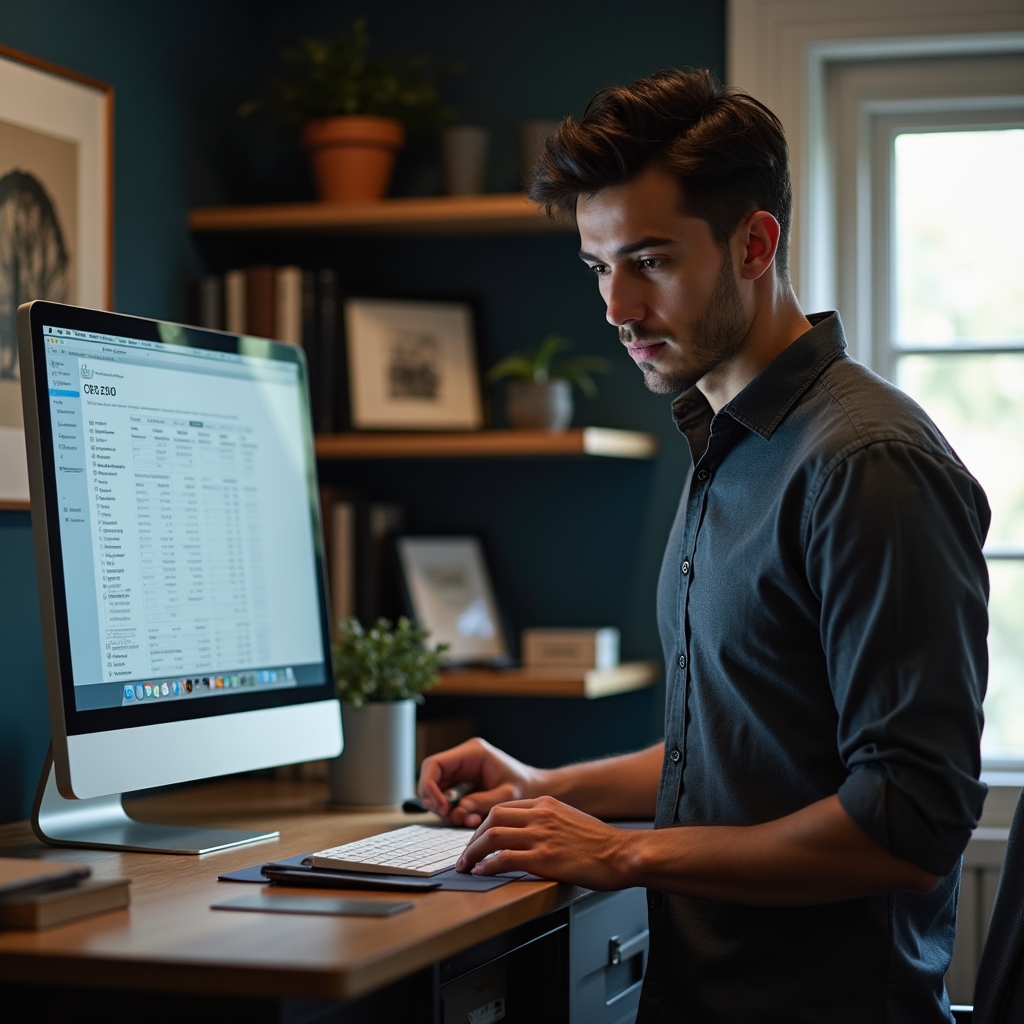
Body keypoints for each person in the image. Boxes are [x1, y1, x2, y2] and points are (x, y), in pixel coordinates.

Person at [418, 68, 990, 1023]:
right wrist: (547, 787)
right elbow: (740, 748)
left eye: (650, 261)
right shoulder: (726, 440)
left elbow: (907, 823)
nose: (616, 309)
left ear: (754, 243)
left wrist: (621, 851)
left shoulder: (865, 462)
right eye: (599, 267)